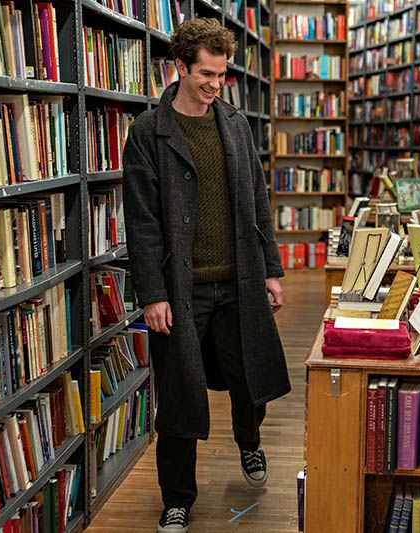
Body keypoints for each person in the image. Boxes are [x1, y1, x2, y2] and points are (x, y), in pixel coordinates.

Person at [122, 18, 291, 533]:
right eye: (205, 74)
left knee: (252, 377)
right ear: (179, 67)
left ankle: (250, 441)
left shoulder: (235, 124)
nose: (215, 84)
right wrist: (152, 293)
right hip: (181, 290)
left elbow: (258, 202)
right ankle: (177, 498)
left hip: (239, 280)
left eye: (222, 74)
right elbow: (142, 222)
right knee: (179, 398)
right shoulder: (149, 133)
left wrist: (271, 270)